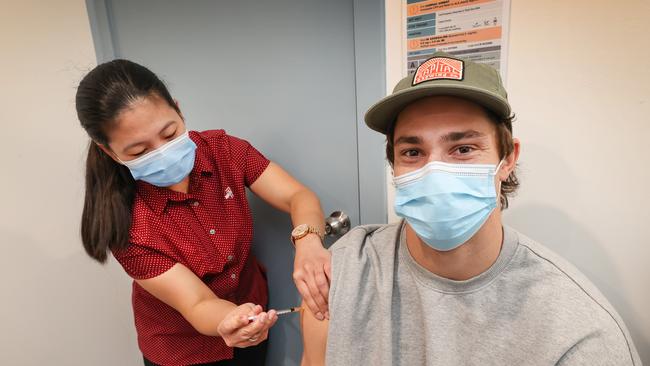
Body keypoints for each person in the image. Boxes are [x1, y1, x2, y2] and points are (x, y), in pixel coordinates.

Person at [300, 52, 641, 365]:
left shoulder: (579, 336)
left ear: (508, 159)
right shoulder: (345, 272)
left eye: (463, 149)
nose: (435, 171)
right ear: (394, 165)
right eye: (412, 153)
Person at [75, 59, 331, 366]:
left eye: (169, 134)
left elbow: (296, 196)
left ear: (179, 111)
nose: (162, 153)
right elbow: (198, 303)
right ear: (108, 151)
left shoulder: (224, 151)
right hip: (182, 350)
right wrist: (229, 319)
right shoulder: (126, 225)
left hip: (250, 322)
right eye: (139, 152)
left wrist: (308, 242)